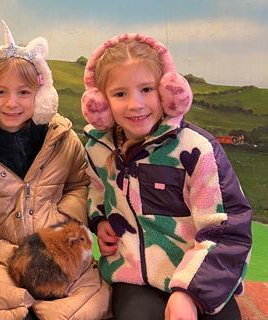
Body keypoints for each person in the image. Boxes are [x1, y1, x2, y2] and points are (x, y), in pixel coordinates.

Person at [81, 33, 252, 320]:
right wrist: (99, 221)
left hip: (202, 276)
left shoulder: (196, 149)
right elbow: (97, 189)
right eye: (120, 94)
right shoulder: (97, 148)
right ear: (101, 102)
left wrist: (189, 292)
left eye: (146, 89)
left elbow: (226, 230)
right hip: (135, 276)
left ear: (167, 91)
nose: (135, 104)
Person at [0, 22, 111, 320]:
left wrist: (63, 219)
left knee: (86, 305)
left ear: (40, 94)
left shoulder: (62, 138)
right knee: (1, 308)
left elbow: (80, 183)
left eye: (24, 92)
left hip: (59, 244)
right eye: (0, 92)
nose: (12, 103)